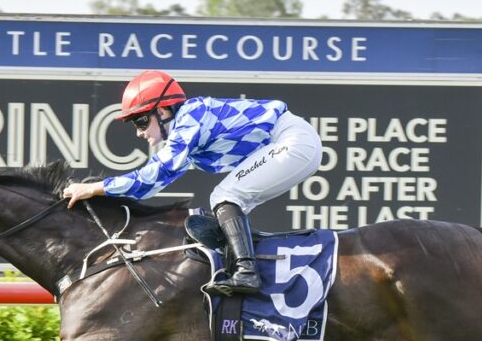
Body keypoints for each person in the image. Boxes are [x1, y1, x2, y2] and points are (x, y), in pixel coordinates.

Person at [62, 70, 322, 296]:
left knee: (224, 196)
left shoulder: (191, 117)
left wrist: (93, 188)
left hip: (292, 141)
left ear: (163, 111)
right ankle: (247, 266)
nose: (139, 132)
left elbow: (153, 174)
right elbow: (151, 187)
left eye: (141, 121)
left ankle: (247, 272)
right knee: (229, 208)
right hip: (293, 144)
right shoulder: (188, 137)